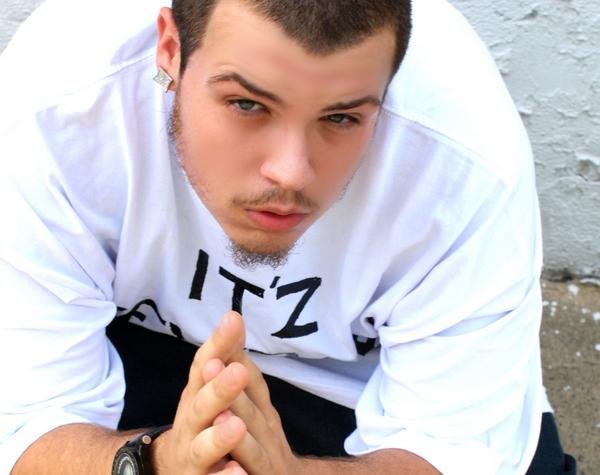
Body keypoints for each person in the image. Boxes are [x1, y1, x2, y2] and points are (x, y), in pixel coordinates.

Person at [0, 0, 576, 473]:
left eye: (341, 117)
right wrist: (153, 465)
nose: (291, 173)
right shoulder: (56, 109)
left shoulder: (466, 163)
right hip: (133, 351)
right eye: (247, 104)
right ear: (170, 51)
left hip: (362, 394)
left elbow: (449, 447)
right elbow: (28, 420)